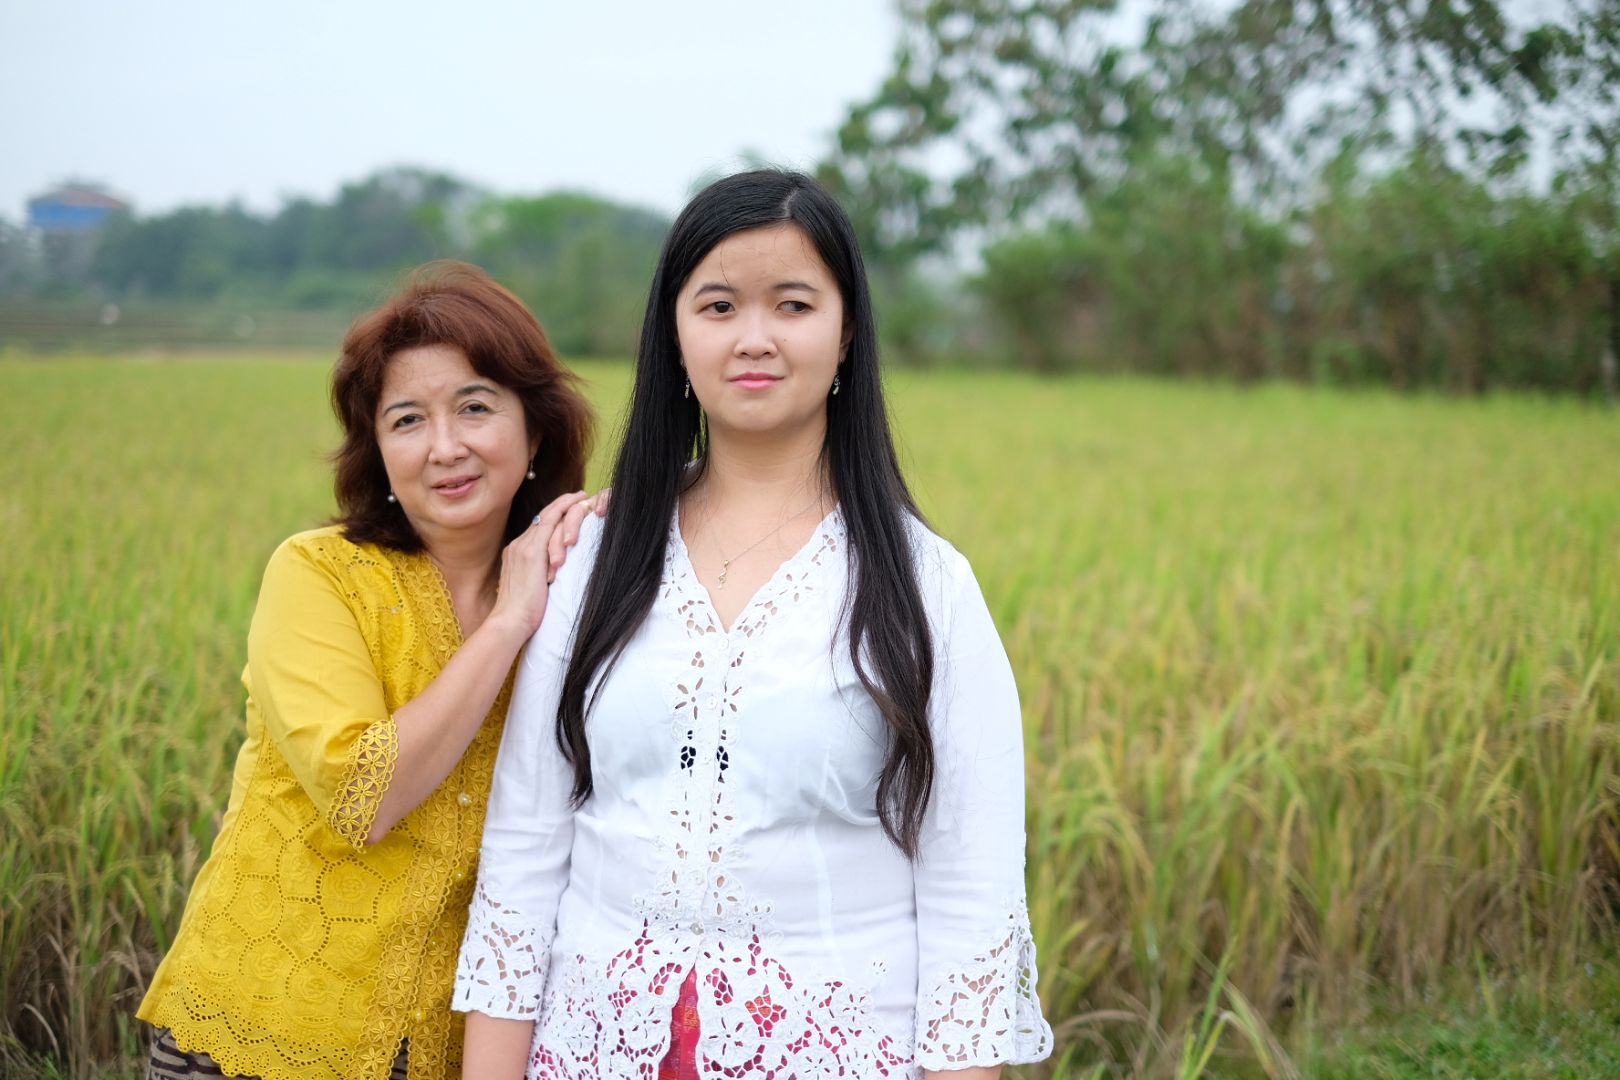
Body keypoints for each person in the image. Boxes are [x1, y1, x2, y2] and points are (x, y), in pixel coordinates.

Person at [454, 171, 1054, 1079]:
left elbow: (973, 897)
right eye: (719, 305)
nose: (755, 338)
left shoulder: (925, 584)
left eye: (794, 305)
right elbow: (524, 857)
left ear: (845, 334)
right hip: (591, 1049)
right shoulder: (591, 561)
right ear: (675, 334)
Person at [137, 261, 604, 1080]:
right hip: (254, 1033)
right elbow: (365, 794)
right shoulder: (318, 575)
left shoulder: (577, 597)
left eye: (475, 407)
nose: (445, 447)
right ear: (378, 451)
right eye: (407, 420)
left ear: (536, 431)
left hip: (444, 1052)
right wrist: (506, 624)